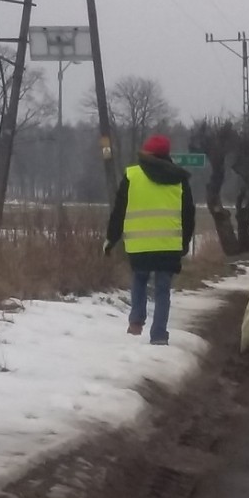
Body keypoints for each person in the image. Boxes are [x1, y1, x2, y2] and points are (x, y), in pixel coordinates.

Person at [104, 135, 196, 344]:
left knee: (139, 279)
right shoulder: (179, 178)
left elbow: (119, 211)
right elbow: (188, 214)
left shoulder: (132, 175)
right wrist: (184, 243)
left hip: (139, 244)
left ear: (147, 153)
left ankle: (136, 323)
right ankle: (159, 335)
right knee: (163, 289)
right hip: (168, 245)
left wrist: (111, 238)